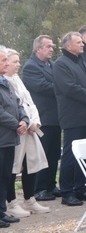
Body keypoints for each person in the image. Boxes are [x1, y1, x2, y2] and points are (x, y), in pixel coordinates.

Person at [53, 31, 86, 206]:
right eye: (78, 42)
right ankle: (67, 192)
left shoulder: (81, 61)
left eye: (82, 41)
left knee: (85, 154)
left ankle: (81, 188)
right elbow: (69, 88)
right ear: (68, 46)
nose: (82, 44)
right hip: (73, 116)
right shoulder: (61, 64)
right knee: (71, 155)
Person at [3, 50, 49, 217]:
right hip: (15, 130)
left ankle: (30, 199)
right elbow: (10, 108)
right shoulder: (4, 81)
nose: (18, 64)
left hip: (30, 128)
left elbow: (29, 102)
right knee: (13, 166)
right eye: (15, 61)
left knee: (32, 162)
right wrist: (22, 123)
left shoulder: (17, 79)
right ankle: (11, 202)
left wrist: (34, 121)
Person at [22, 35, 60, 202]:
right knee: (41, 154)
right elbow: (42, 87)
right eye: (48, 46)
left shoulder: (51, 65)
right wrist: (63, 87)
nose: (52, 49)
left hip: (56, 117)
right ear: (38, 49)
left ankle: (51, 184)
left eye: (52, 46)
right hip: (42, 118)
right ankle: (39, 188)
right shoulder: (30, 67)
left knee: (53, 154)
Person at [0, 47, 28, 227]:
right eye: (3, 60)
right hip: (2, 137)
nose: (6, 63)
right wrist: (16, 123)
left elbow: (18, 103)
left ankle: (1, 211)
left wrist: (24, 119)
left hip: (9, 138)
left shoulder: (6, 82)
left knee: (5, 177)